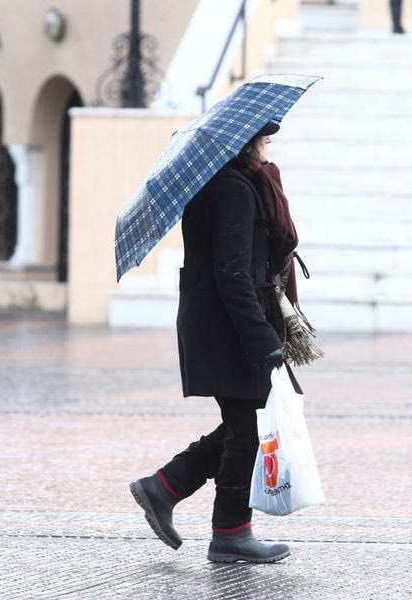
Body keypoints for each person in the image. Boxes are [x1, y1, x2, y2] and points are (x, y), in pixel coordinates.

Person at [129, 122, 295, 564]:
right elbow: (233, 274)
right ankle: (229, 532)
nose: (268, 145)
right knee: (248, 427)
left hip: (221, 323)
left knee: (245, 423)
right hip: (229, 327)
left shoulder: (224, 184)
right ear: (245, 143)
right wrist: (261, 337)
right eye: (263, 137)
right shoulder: (232, 190)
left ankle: (165, 487)